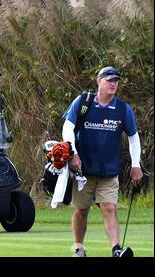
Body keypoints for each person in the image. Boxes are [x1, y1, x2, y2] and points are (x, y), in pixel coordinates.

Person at [62, 66, 143, 257]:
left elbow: (133, 137)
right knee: (82, 210)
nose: (113, 84)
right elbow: (68, 128)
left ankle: (116, 249)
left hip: (108, 171)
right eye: (109, 80)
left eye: (116, 81)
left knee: (109, 207)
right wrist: (72, 153)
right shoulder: (83, 102)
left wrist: (136, 164)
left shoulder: (123, 109)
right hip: (83, 170)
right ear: (99, 81)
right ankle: (79, 248)